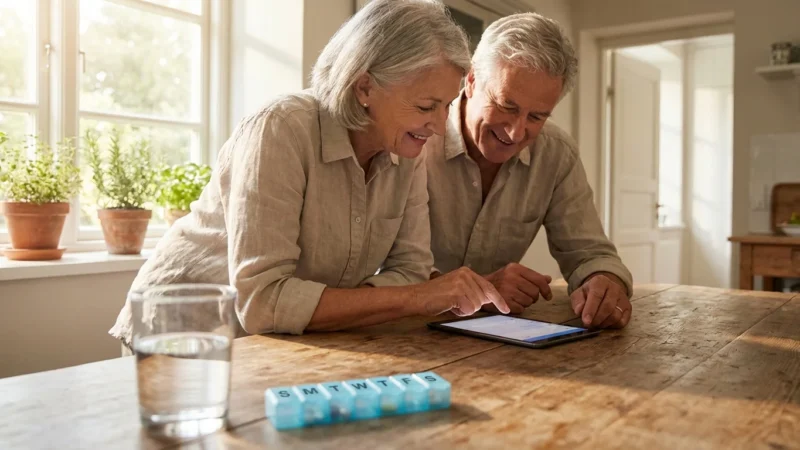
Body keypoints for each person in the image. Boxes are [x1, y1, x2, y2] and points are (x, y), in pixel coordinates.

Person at [110, 0, 509, 353]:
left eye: (446, 106)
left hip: (278, 346)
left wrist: (398, 295)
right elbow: (263, 302)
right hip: (180, 333)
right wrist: (416, 298)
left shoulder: (406, 151)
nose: (439, 127)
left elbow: (410, 270)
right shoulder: (281, 128)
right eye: (426, 106)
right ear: (365, 86)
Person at [425, 13, 633, 329]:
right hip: (395, 335)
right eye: (507, 106)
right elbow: (382, 268)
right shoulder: (416, 136)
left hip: (497, 348)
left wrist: (603, 280)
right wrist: (482, 287)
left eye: (536, 117)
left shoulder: (556, 153)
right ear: (470, 81)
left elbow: (590, 253)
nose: (515, 133)